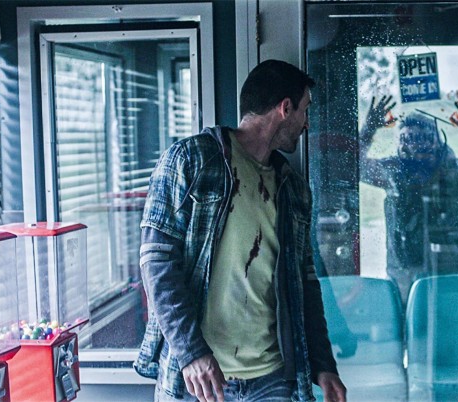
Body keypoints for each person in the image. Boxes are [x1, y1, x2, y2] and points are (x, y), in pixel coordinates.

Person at [135, 60, 346, 402]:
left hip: (273, 379)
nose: (307, 124)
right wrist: (191, 352)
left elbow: (305, 282)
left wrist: (323, 363)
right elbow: (156, 262)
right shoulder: (191, 160)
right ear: (285, 108)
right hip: (199, 379)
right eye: (304, 110)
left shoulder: (294, 189)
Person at [358, 95, 458, 303]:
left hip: (451, 270)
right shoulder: (393, 173)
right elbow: (353, 167)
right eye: (408, 139)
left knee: (453, 317)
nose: (415, 146)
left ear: (437, 141)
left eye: (423, 138)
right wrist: (369, 128)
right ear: (399, 144)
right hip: (405, 271)